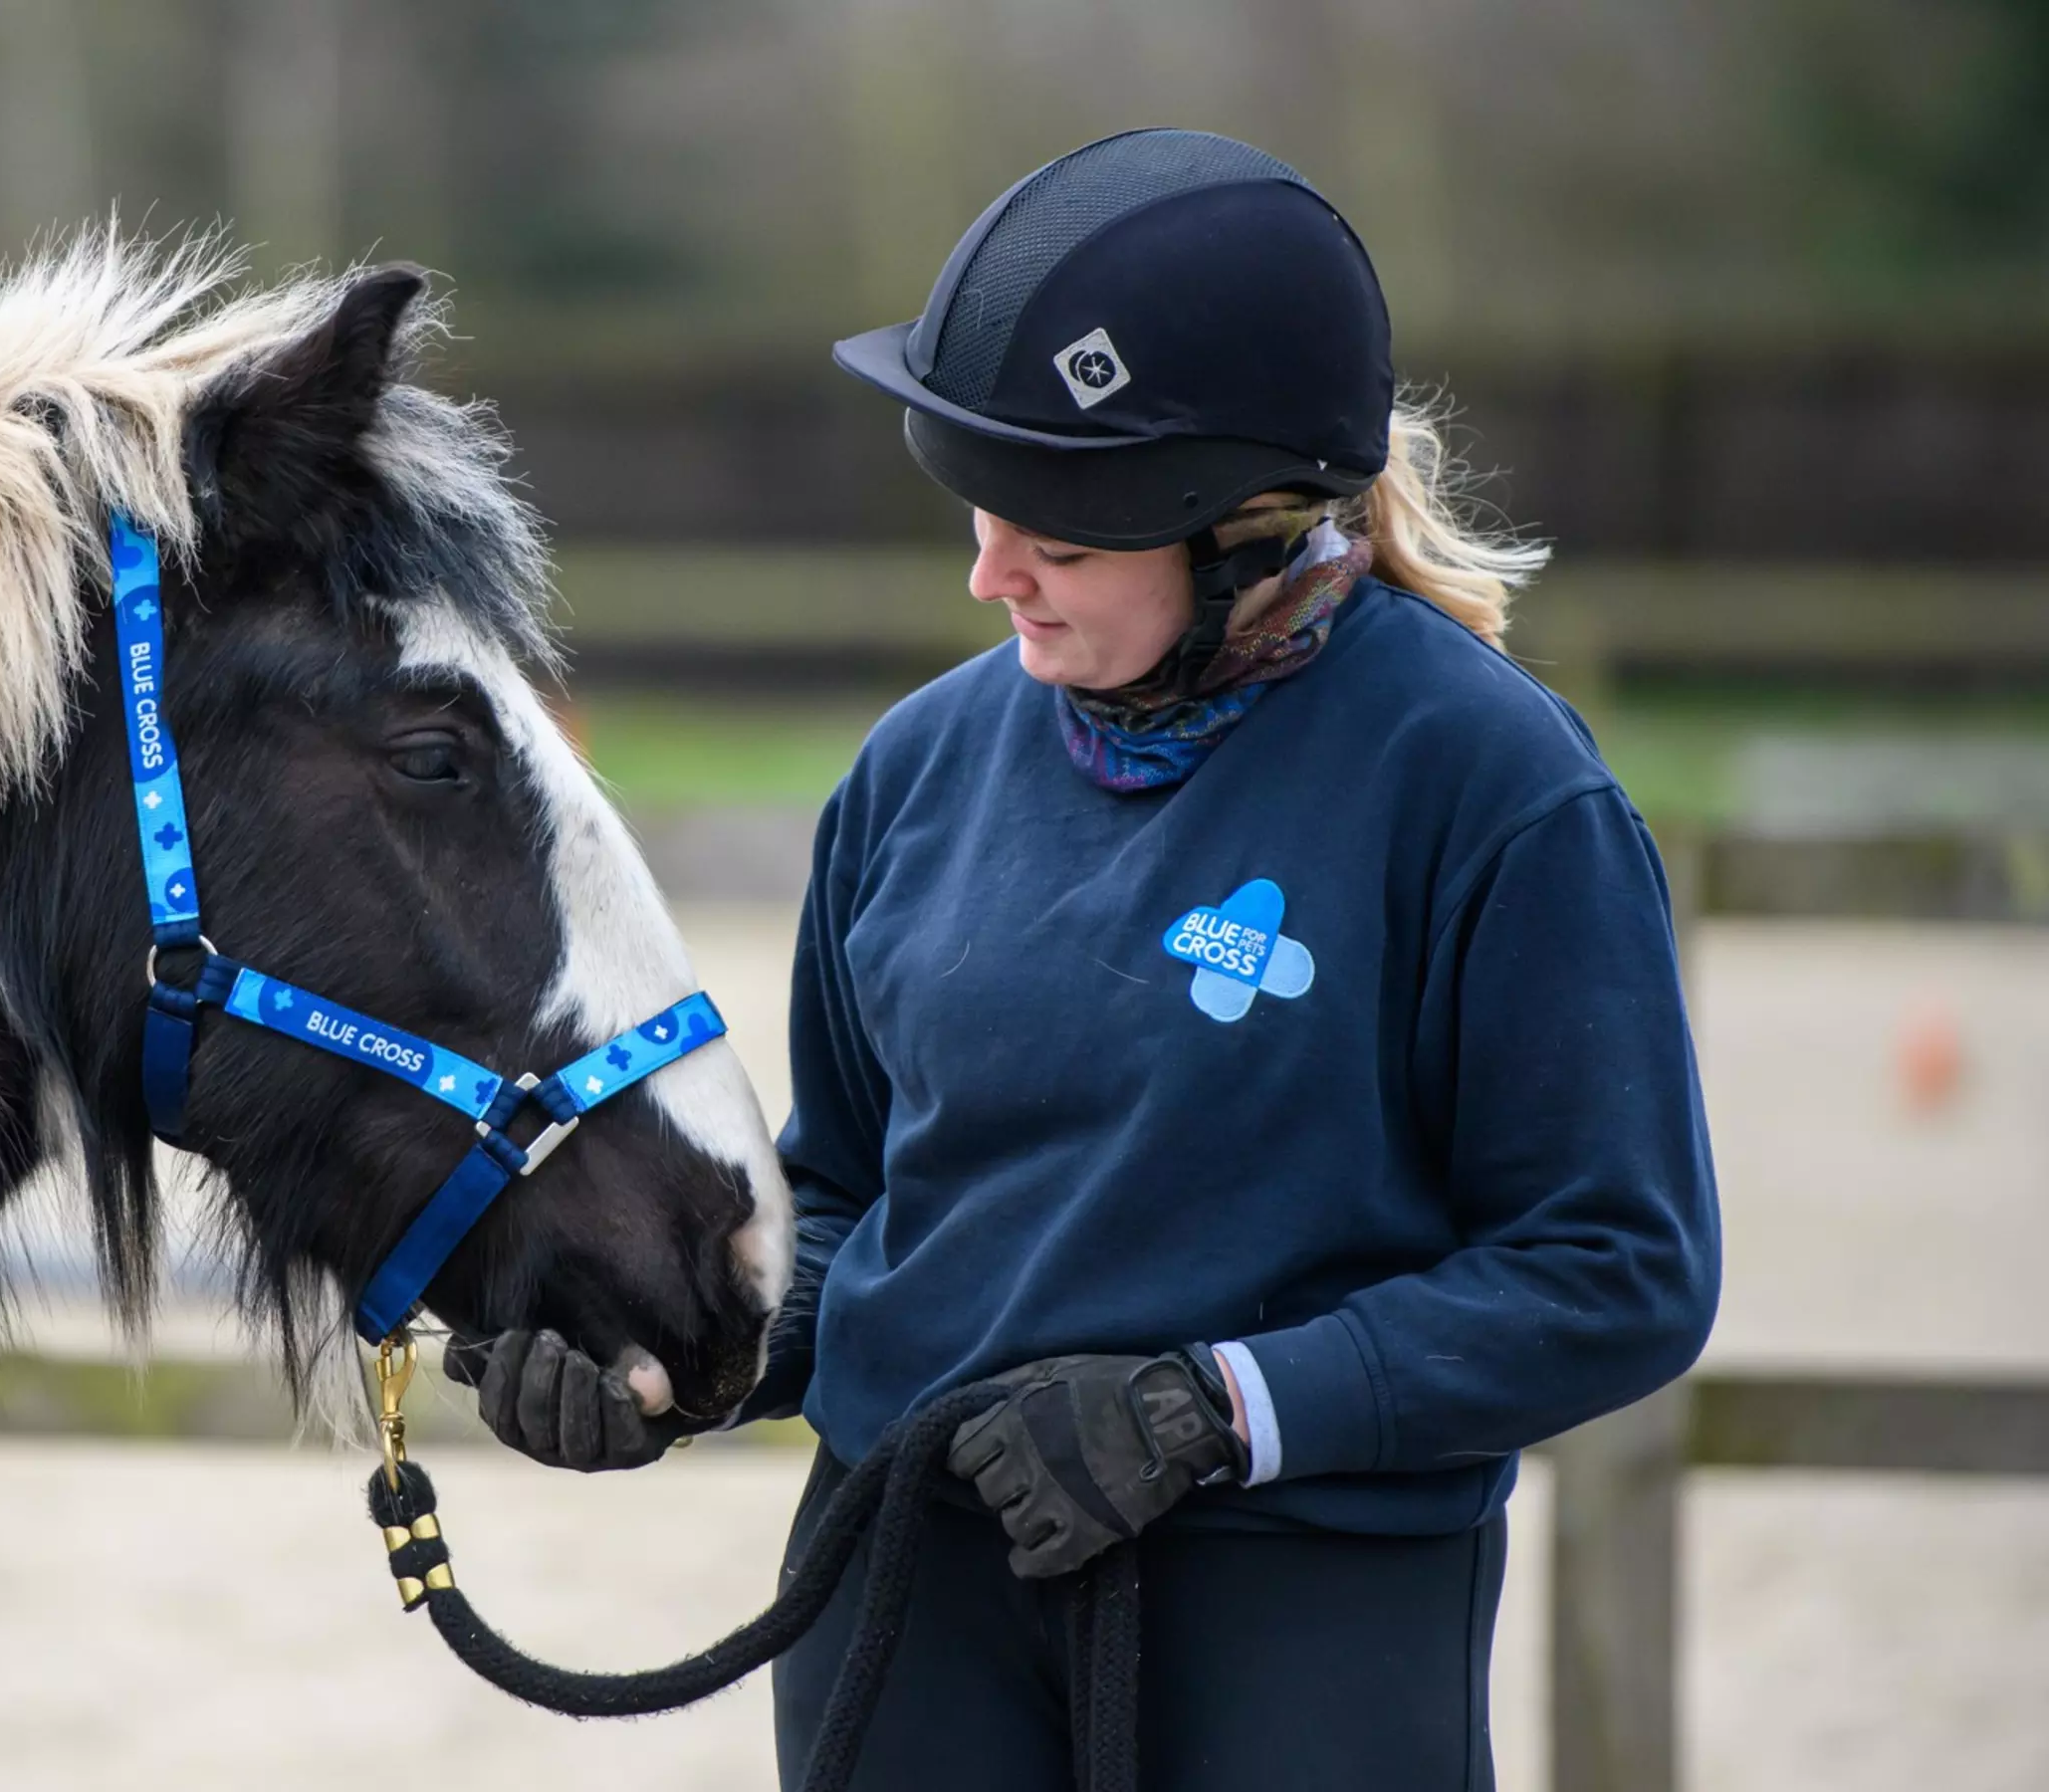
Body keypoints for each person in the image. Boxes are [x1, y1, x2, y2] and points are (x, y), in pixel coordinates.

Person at [452, 128, 1720, 1789]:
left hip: (1295, 1614)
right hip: (907, 1596)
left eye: (1056, 530)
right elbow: (848, 1199)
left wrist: (1219, 1407)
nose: (990, 573)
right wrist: (684, 1359)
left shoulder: (1494, 792)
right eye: (984, 510)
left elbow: (1615, 1268)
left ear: (1245, 526)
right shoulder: (911, 773)